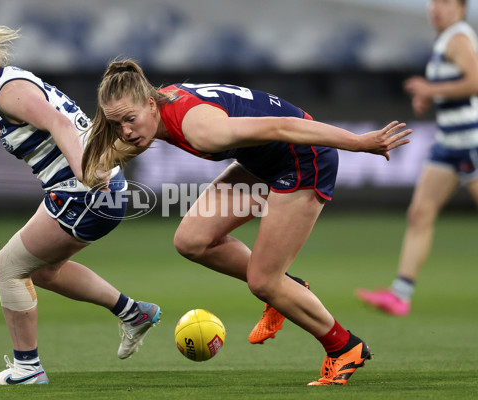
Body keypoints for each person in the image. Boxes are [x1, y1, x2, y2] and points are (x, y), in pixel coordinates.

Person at [81, 59, 412, 386]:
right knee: (192, 240)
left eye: (130, 120)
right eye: (116, 125)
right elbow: (110, 149)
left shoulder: (201, 129)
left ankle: (344, 347)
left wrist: (358, 143)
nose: (125, 130)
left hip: (303, 159)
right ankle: (290, 289)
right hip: (263, 163)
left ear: (151, 104)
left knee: (264, 282)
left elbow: (283, 127)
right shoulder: (157, 107)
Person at [0, 10, 160, 385]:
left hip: (83, 193)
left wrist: (83, 172)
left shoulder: (10, 93)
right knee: (41, 270)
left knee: (8, 267)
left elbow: (57, 122)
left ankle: (27, 368)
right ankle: (133, 313)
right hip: (89, 190)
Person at [356, 0, 478, 316]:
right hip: (448, 142)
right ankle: (401, 294)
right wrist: (431, 93)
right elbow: (457, 86)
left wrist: (429, 86)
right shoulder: (447, 39)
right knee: (419, 213)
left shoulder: (458, 38)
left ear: (461, 8)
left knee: (421, 214)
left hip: (470, 142)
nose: (435, 8)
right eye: (432, 1)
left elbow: (475, 81)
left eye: (445, 2)